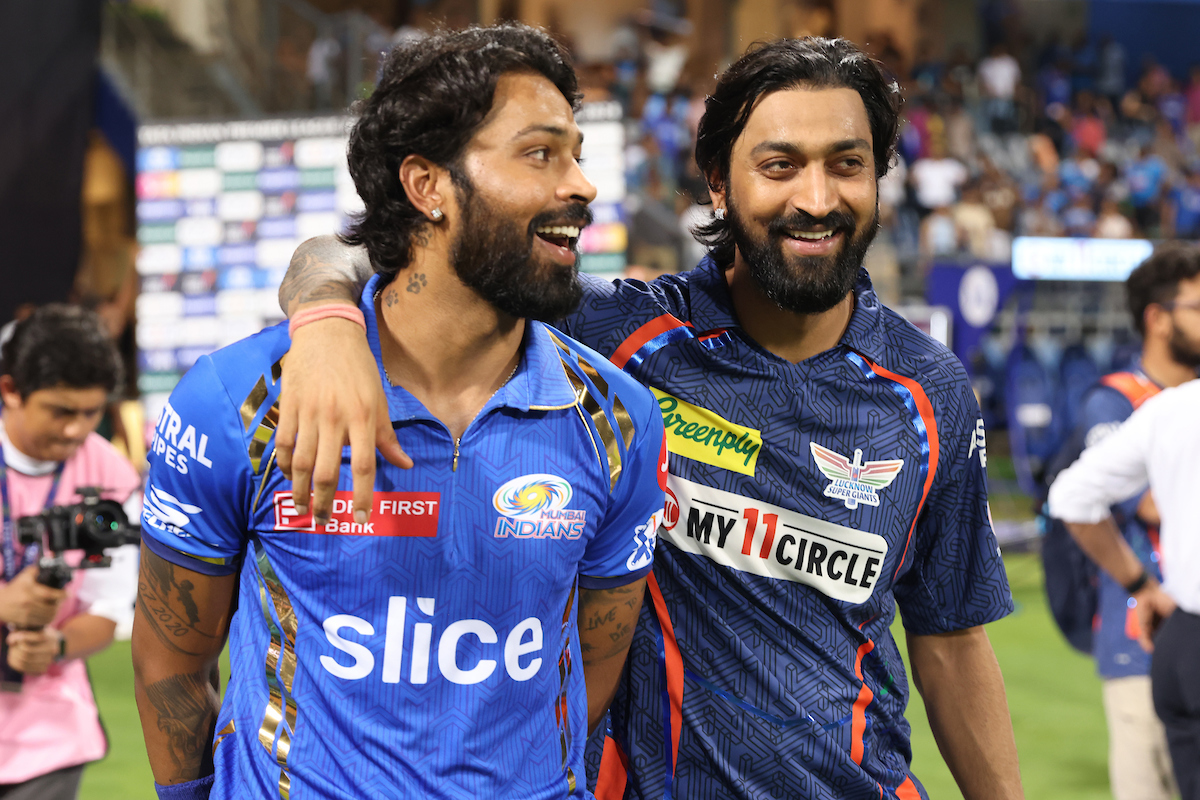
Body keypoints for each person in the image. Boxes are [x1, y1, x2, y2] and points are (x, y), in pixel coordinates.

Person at [276, 36, 1023, 800]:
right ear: (719, 186)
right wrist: (327, 327)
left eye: (847, 163)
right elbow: (348, 252)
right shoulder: (612, 340)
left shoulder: (928, 392)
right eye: (779, 166)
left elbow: (953, 639)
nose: (817, 198)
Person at [132, 25, 666, 800]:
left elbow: (593, 661)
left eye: (576, 154)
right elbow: (172, 661)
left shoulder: (617, 419)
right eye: (541, 153)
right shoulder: (241, 401)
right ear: (427, 186)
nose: (581, 185)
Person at [1048, 243, 1200, 800]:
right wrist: (1142, 584)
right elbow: (1147, 504)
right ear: (1158, 318)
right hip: (1142, 626)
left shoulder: (1172, 407)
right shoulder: (1118, 401)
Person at [0, 304, 141, 800]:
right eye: (61, 411)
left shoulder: (112, 478)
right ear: (10, 390)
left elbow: (105, 613)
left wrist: (55, 647)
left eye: (91, 412)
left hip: (48, 740)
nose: (76, 430)